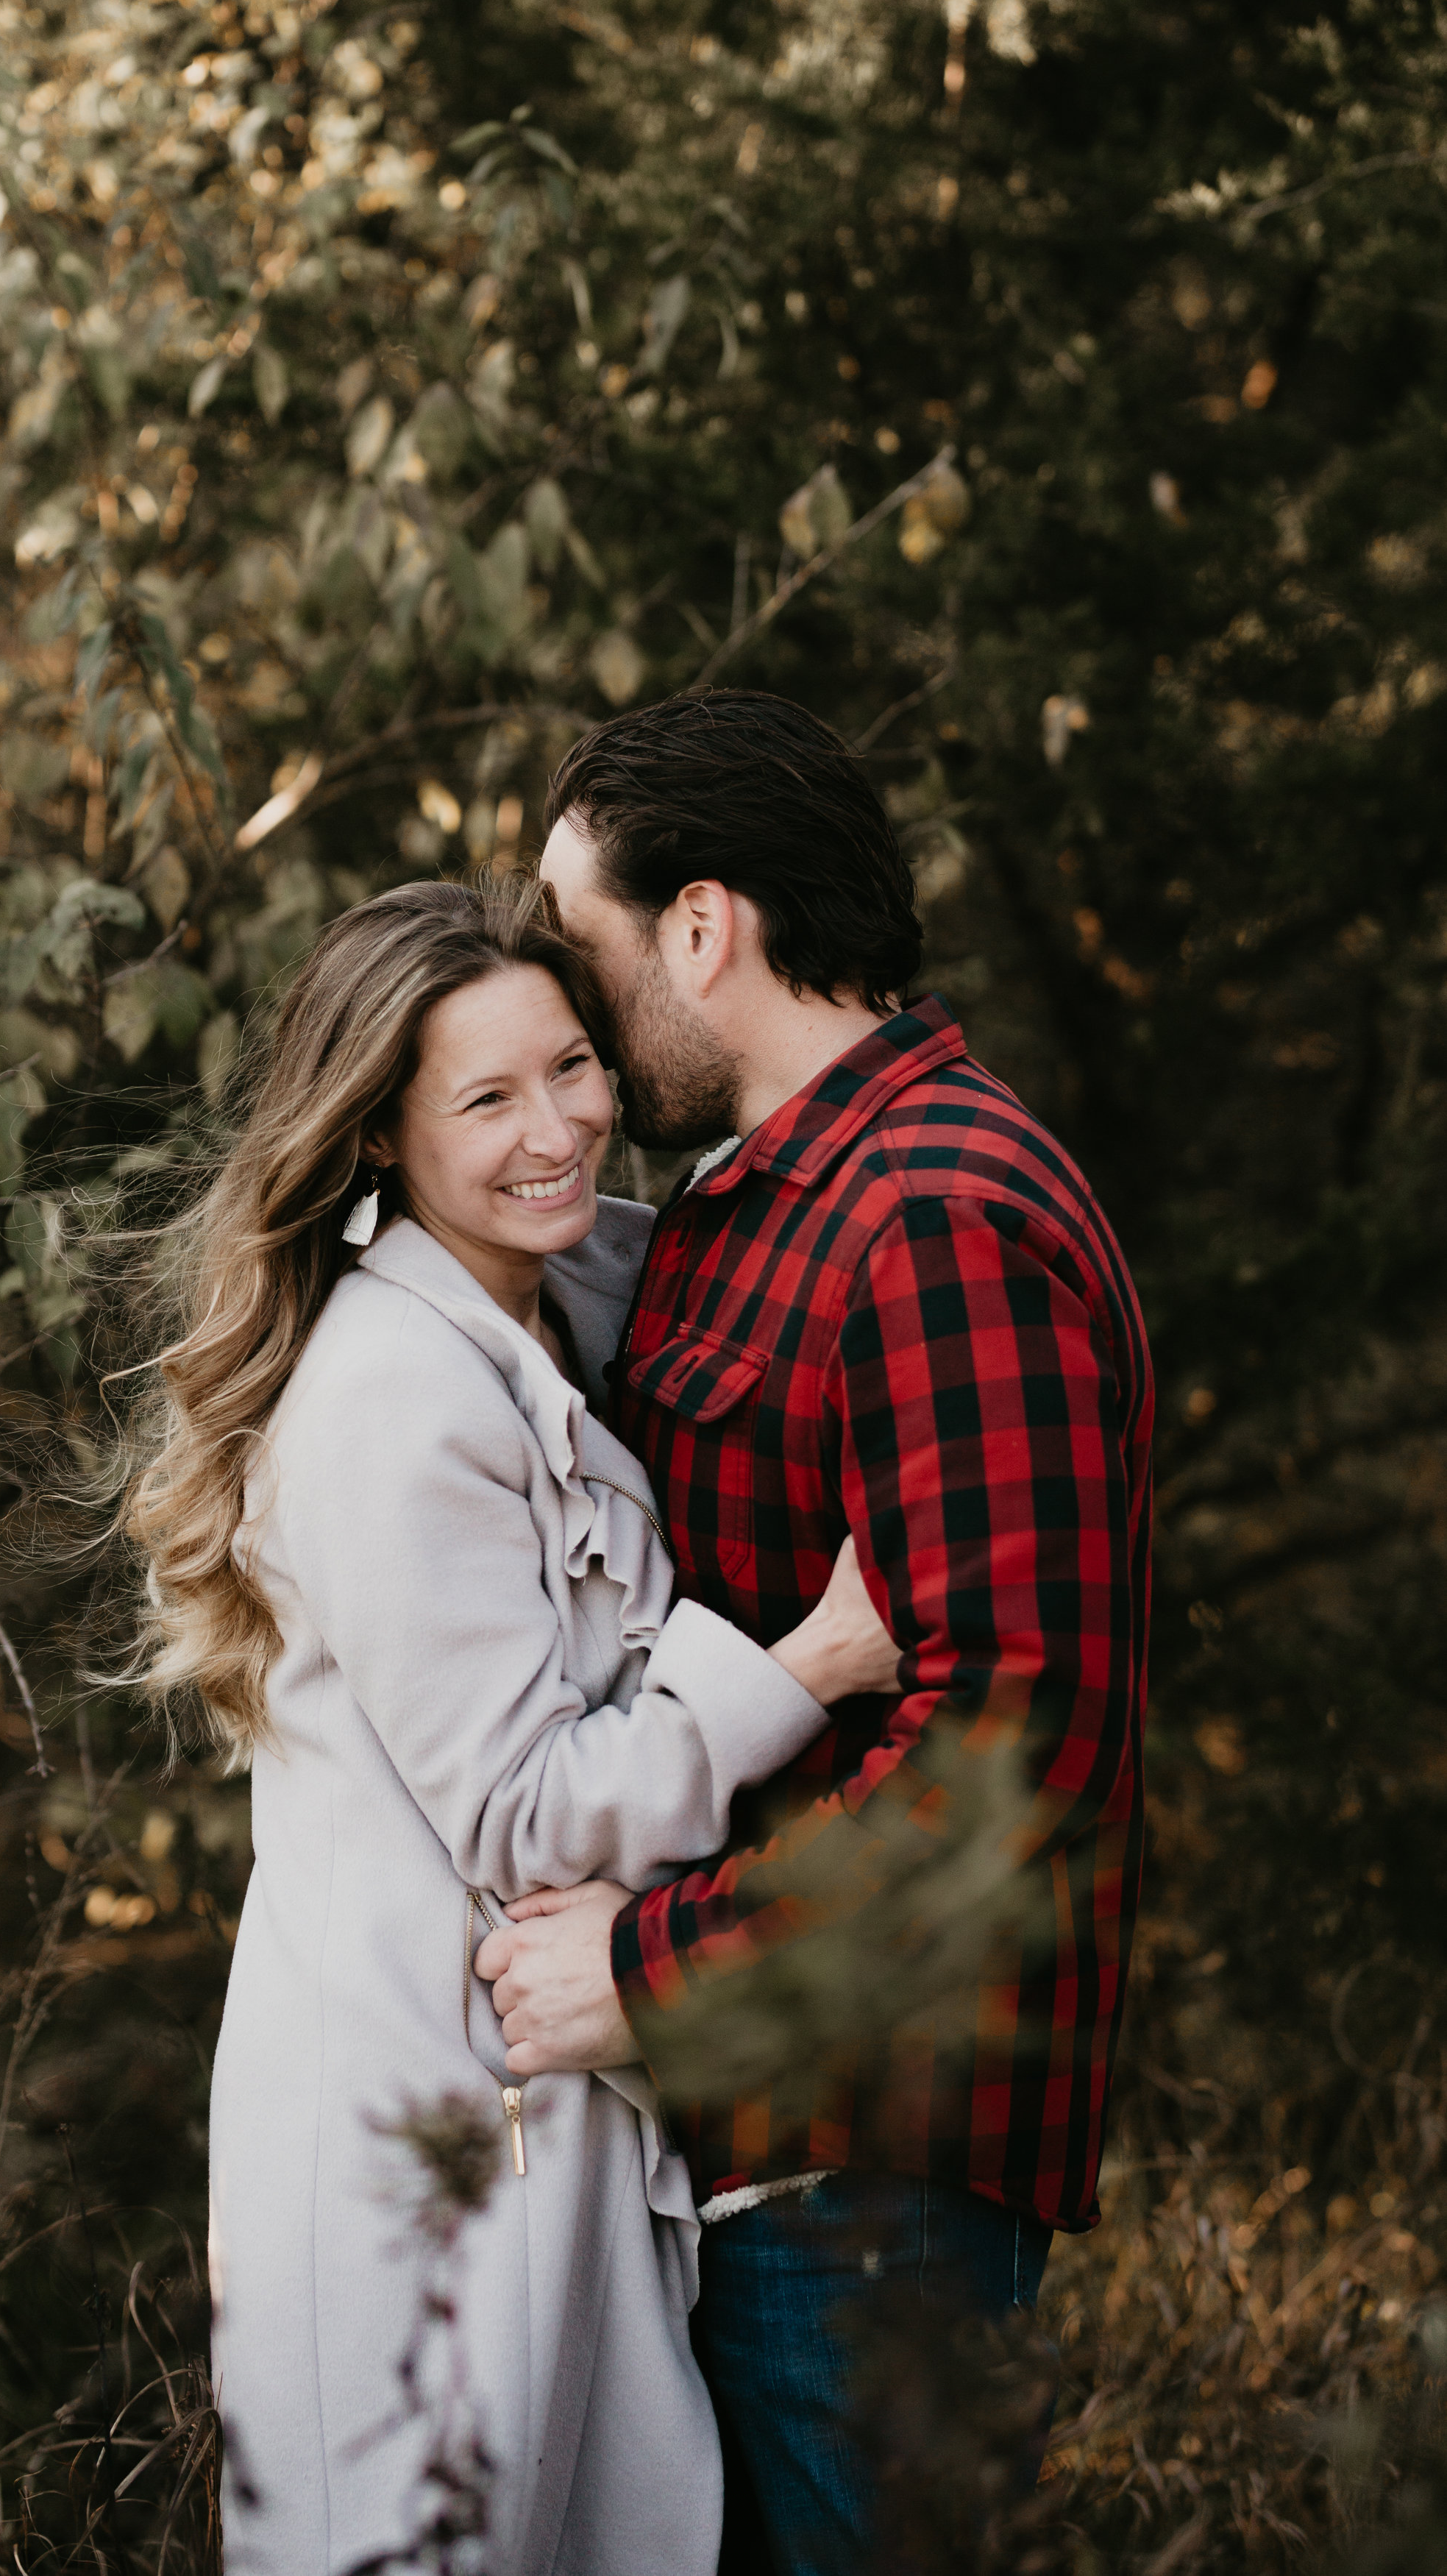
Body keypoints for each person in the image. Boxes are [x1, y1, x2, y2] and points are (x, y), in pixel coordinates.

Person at [119, 879, 903, 2576]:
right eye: (484, 1099)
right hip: (417, 2112)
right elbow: (530, 1812)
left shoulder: (579, 1285)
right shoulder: (392, 1399)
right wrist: (809, 1664)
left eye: (570, 1065)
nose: (555, 1131)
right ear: (382, 1138)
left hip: (547, 2084)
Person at [479, 688, 1154, 2575]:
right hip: (750, 2167)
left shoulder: (934, 1214)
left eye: (571, 938)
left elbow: (1014, 1759)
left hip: (866, 2181)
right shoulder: (752, 1206)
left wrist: (658, 1969)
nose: (551, 994)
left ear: (700, 929)